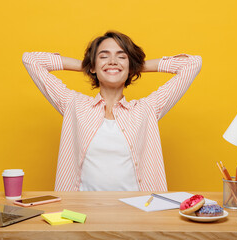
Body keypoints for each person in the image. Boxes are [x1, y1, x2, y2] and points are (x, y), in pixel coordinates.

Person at [22, 31, 202, 191]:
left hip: (137, 213)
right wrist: (89, 65)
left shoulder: (147, 109)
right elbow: (31, 60)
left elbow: (192, 64)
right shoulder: (74, 105)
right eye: (104, 56)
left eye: (121, 57)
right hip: (79, 214)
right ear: (92, 66)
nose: (113, 61)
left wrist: (132, 66)